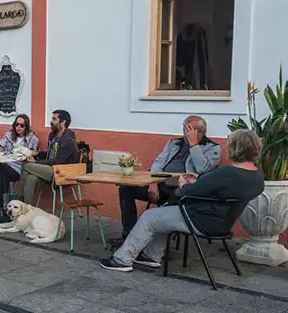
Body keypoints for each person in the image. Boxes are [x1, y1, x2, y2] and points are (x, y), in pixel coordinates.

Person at [100, 129, 264, 272]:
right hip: (222, 223)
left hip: (199, 219)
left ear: (234, 148)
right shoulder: (257, 176)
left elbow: (184, 192)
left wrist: (183, 183)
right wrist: (199, 179)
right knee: (162, 215)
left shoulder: (226, 174)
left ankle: (122, 259)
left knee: (149, 217)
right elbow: (216, 188)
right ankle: (151, 255)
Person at [118, 115, 220, 240]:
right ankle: (128, 235)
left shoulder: (212, 148)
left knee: (167, 207)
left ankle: (156, 247)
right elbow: (159, 162)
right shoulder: (174, 143)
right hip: (161, 184)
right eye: (184, 129)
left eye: (190, 130)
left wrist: (193, 145)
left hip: (183, 190)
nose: (185, 133)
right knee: (126, 188)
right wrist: (153, 182)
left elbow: (202, 168)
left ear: (201, 132)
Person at [18, 109, 79, 205]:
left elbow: (57, 161)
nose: (51, 121)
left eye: (54, 119)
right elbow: (49, 154)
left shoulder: (68, 140)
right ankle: (27, 208)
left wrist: (35, 162)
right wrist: (35, 153)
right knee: (31, 178)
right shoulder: (53, 135)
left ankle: (18, 202)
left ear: (63, 122)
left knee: (26, 166)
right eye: (52, 118)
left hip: (60, 172)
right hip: (50, 168)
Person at [0, 114, 40, 223]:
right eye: (17, 124)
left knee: (0, 170)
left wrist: (28, 154)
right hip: (7, 165)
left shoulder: (32, 139)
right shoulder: (9, 135)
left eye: (22, 125)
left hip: (20, 169)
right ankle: (2, 209)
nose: (19, 127)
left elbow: (33, 154)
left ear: (26, 126)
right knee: (0, 169)